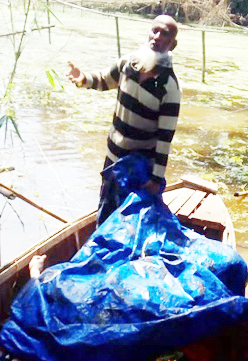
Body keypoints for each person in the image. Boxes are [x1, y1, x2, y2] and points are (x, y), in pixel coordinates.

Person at [67, 15, 181, 225]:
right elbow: (103, 80)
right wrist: (83, 78)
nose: (157, 37)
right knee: (106, 216)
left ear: (172, 44)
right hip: (112, 160)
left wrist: (156, 179)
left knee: (132, 225)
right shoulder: (129, 64)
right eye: (154, 31)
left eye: (165, 34)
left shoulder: (169, 86)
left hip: (139, 168)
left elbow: (165, 139)